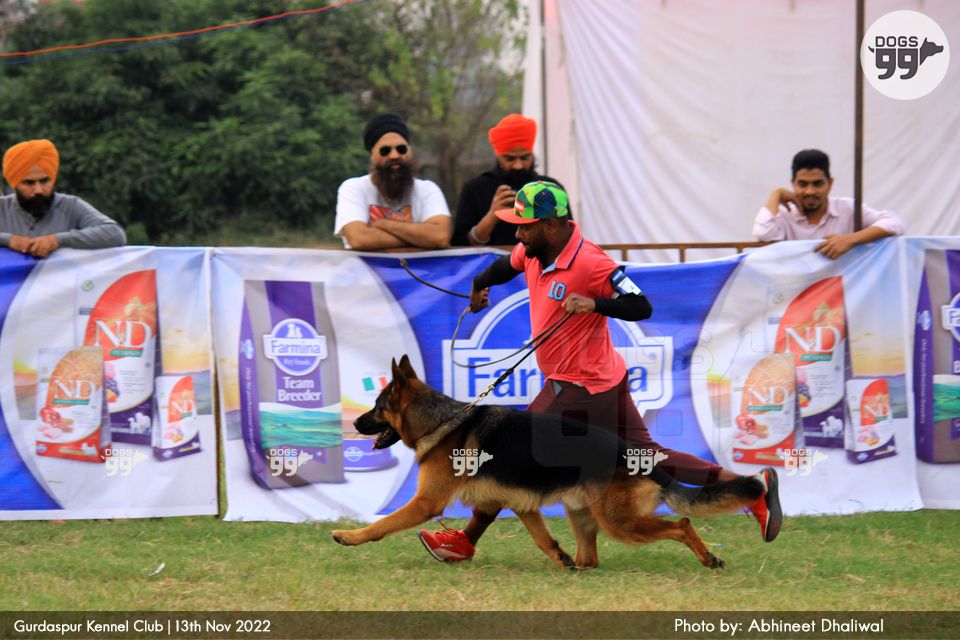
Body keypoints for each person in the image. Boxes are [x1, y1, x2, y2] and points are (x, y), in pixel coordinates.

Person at [419, 181, 782, 562]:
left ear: (551, 226)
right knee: (648, 457)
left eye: (525, 226)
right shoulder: (532, 250)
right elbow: (502, 267)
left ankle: (465, 541)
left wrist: (595, 304)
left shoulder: (591, 262)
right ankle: (751, 490)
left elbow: (640, 305)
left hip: (579, 387)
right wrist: (480, 285)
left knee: (509, 451)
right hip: (602, 382)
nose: (518, 234)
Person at [753, 149, 904, 259]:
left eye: (817, 184)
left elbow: (894, 223)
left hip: (841, 290)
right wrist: (776, 194)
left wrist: (850, 239)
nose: (810, 191)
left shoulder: (847, 208)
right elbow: (763, 233)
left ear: (830, 183)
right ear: (793, 184)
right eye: (803, 184)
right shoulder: (784, 215)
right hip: (797, 291)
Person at [334, 113, 451, 251]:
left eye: (401, 149)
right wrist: (420, 239)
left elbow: (440, 237)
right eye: (385, 151)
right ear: (372, 155)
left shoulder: (428, 189)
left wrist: (383, 224)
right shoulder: (353, 188)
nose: (394, 155)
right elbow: (359, 239)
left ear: (409, 151)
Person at [451, 113, 565, 246]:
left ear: (532, 155)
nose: (518, 166)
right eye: (510, 159)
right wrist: (491, 216)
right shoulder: (474, 189)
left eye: (525, 157)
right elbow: (460, 246)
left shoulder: (550, 188)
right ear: (498, 156)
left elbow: (566, 237)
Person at [1, 139, 126, 258]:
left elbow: (114, 233)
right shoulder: (2, 208)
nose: (38, 190)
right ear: (14, 184)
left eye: (44, 181)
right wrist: (9, 240)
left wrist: (57, 240)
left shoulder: (70, 205)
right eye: (29, 183)